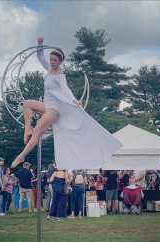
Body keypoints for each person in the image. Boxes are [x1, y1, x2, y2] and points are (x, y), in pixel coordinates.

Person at [11, 36, 122, 170]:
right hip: (47, 105)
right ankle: (27, 129)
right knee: (27, 103)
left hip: (55, 110)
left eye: (55, 61)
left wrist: (74, 100)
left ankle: (22, 156)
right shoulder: (49, 70)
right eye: (51, 60)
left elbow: (66, 90)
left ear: (60, 62)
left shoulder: (60, 76)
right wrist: (40, 44)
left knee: (37, 133)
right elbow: (40, 56)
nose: (52, 62)